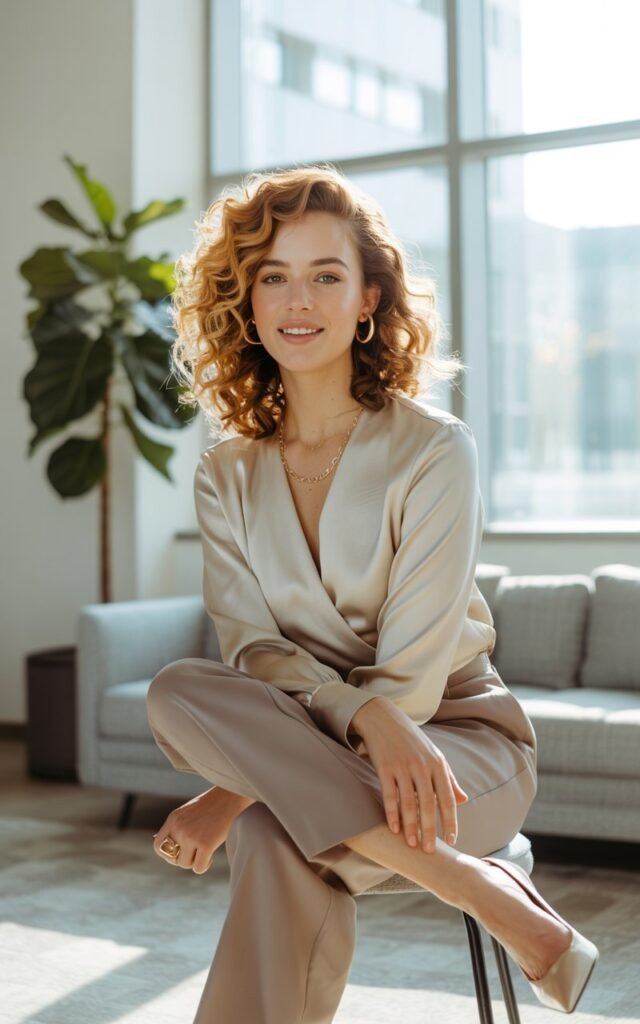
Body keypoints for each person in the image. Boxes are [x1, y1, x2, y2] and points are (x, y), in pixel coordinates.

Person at [146, 164, 598, 1023]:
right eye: (273, 276)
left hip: (458, 750)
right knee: (179, 689)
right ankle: (481, 891)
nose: (297, 299)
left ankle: (466, 870)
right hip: (348, 748)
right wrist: (359, 717)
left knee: (275, 832)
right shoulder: (225, 474)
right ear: (246, 301)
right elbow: (251, 655)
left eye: (325, 275)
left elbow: (416, 675)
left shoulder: (434, 449)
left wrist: (233, 788)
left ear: (368, 299)